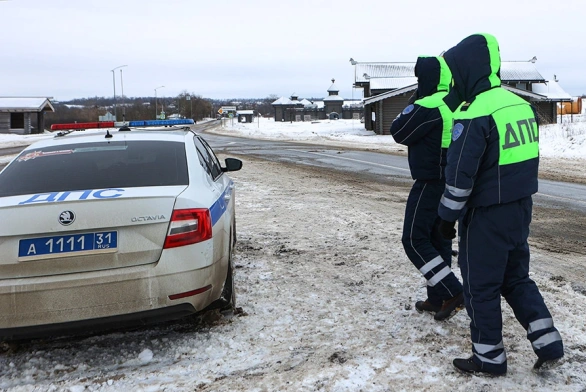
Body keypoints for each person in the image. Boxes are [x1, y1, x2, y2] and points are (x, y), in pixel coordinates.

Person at [438, 33, 564, 376]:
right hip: (520, 209)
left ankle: (489, 358)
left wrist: (446, 218)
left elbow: (460, 176)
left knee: (480, 286)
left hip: (486, 216)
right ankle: (548, 341)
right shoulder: (519, 105)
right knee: (516, 278)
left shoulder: (475, 111)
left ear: (466, 70)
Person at [390, 56, 464, 321]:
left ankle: (452, 291)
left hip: (430, 182)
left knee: (413, 239)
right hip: (452, 181)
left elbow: (398, 131)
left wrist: (414, 100)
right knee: (438, 240)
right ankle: (438, 298)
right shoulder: (454, 102)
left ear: (426, 80)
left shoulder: (428, 105)